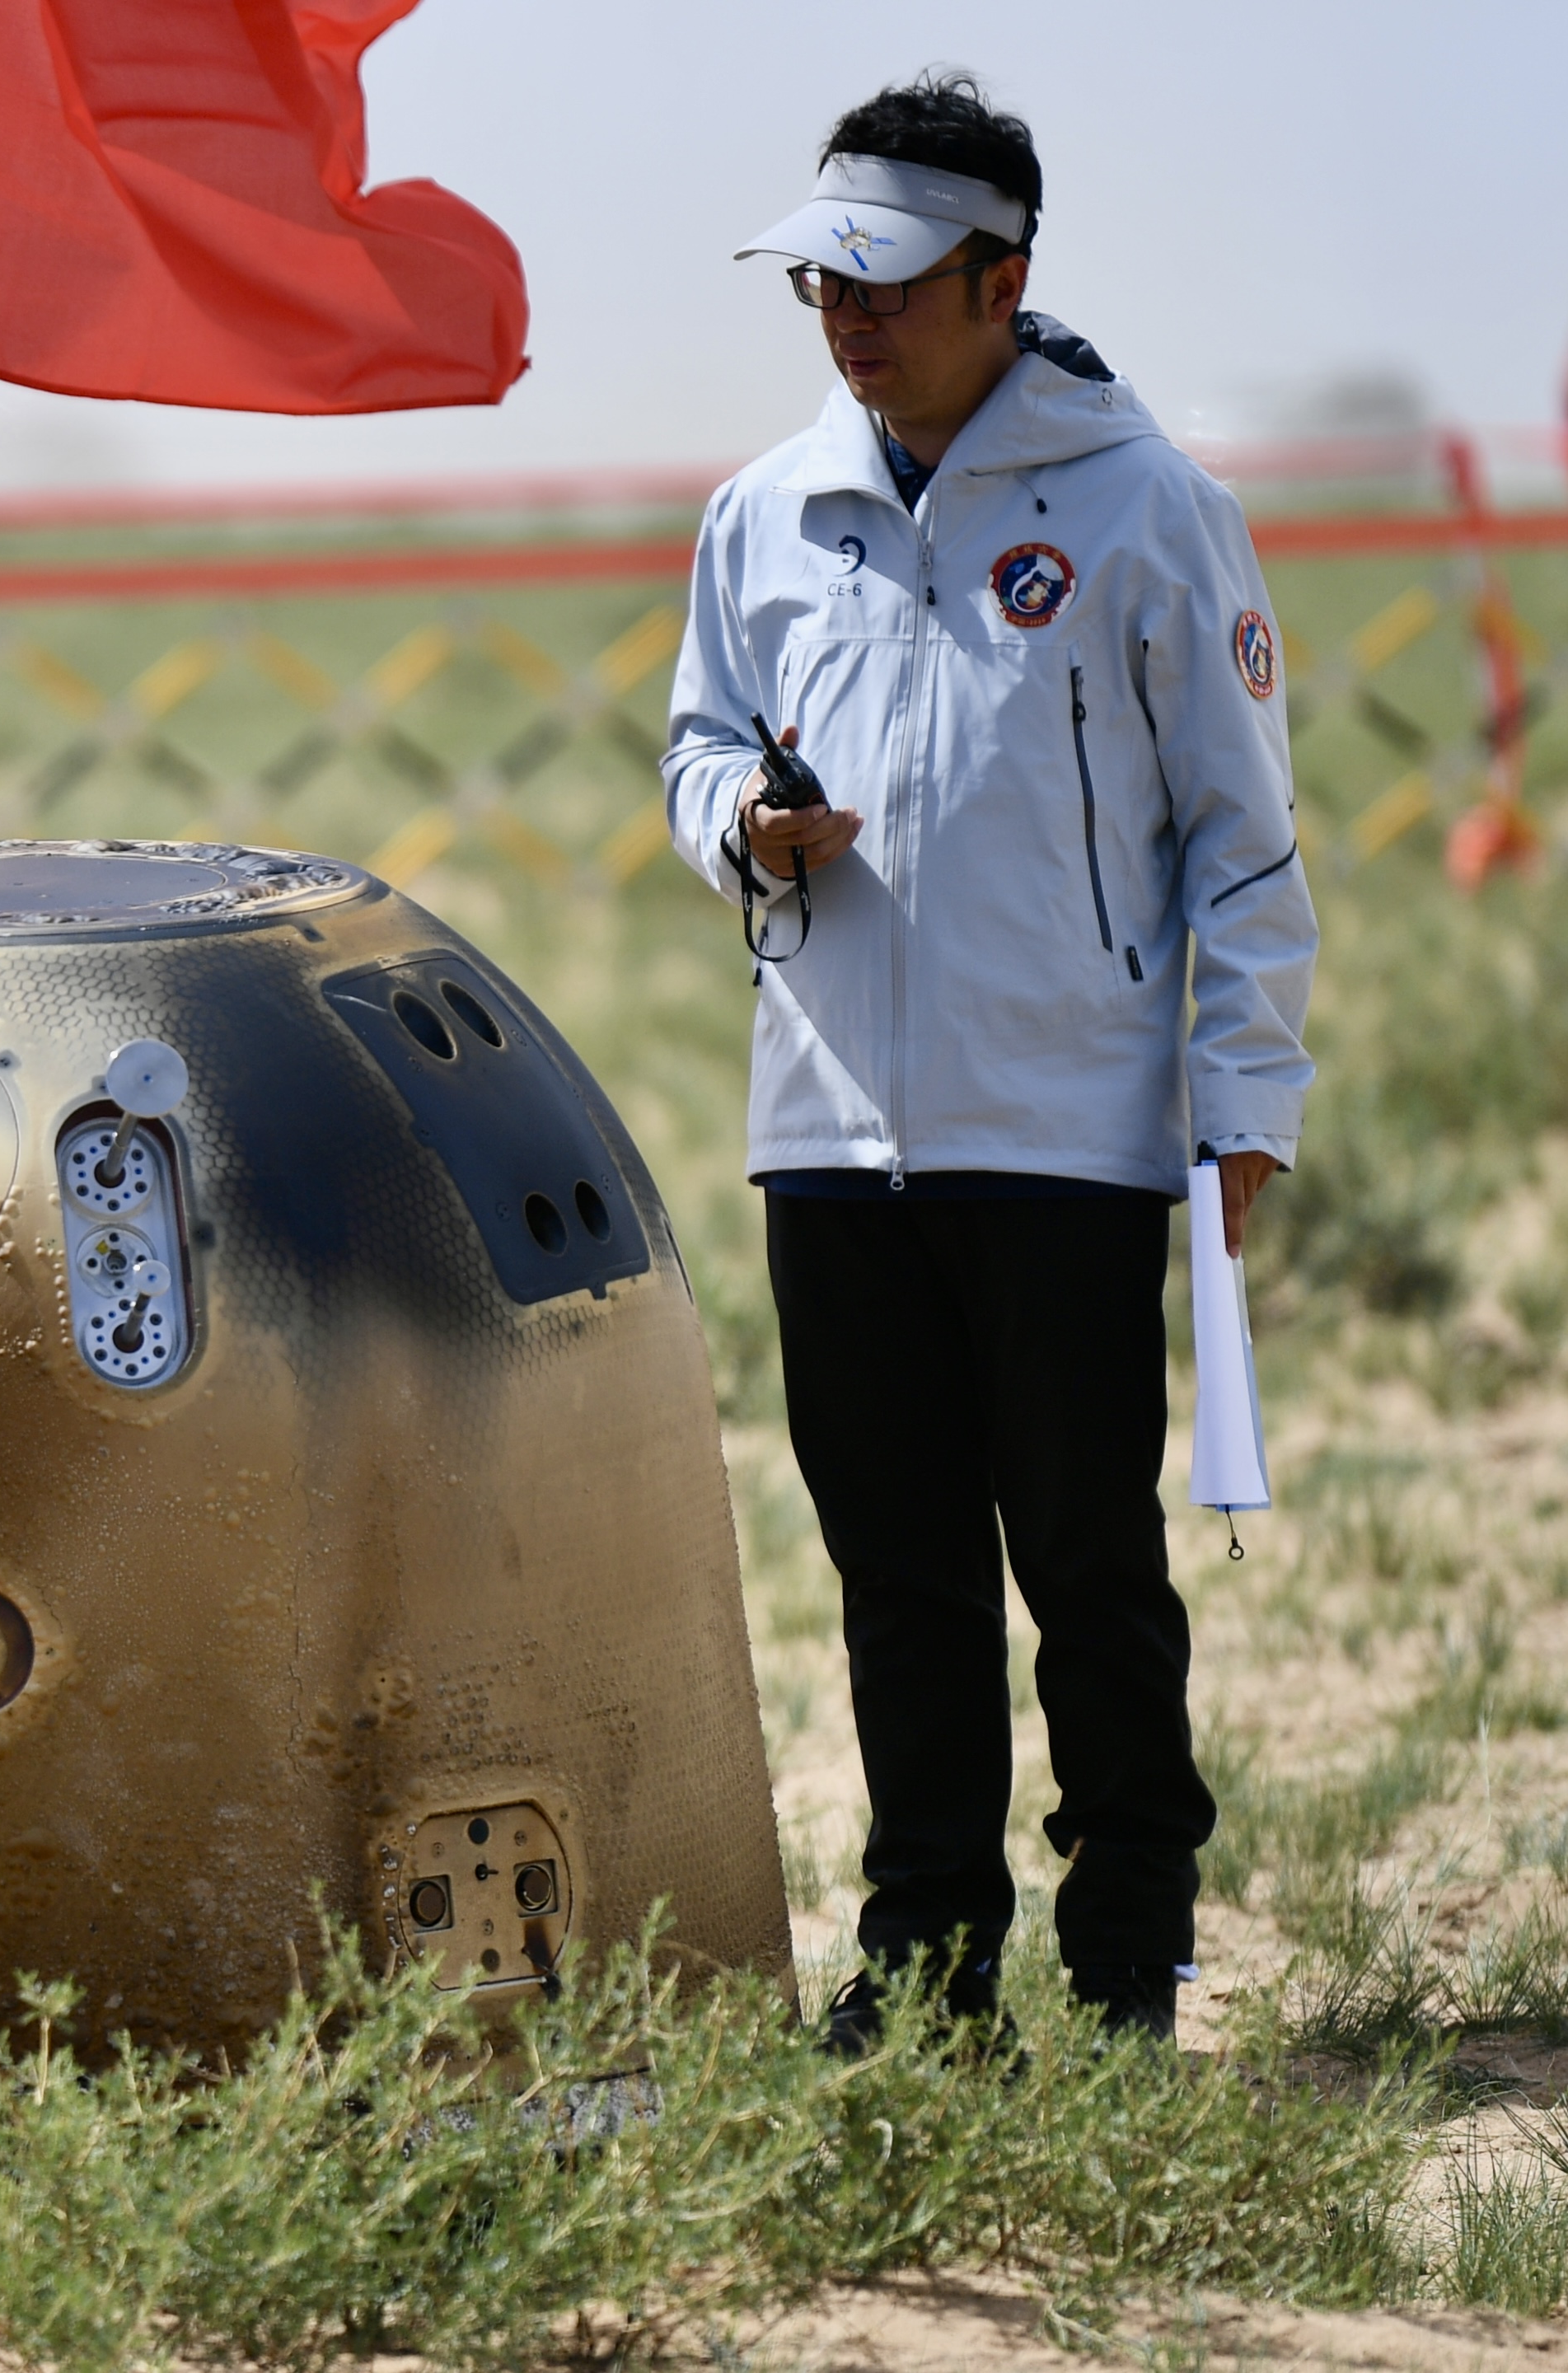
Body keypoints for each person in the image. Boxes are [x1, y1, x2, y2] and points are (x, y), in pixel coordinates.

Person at [662, 75, 1317, 2049]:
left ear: (999, 275)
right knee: (897, 1580)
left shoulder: (1148, 507)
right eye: (817, 285)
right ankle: (928, 1965)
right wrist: (743, 827)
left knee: (1088, 1572)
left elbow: (1245, 836)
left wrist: (1244, 1102)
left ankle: (1126, 1958)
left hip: (1069, 1132)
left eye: (880, 283)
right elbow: (696, 741)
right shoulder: (763, 510)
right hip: (826, 1137)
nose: (844, 319)